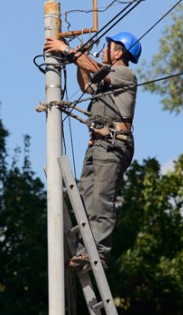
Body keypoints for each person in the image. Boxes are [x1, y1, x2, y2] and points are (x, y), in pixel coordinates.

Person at [43, 32, 141, 270]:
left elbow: (94, 66)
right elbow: (87, 84)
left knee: (101, 199)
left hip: (114, 143)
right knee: (86, 197)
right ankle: (85, 251)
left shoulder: (125, 74)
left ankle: (99, 252)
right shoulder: (106, 77)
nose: (104, 49)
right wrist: (79, 58)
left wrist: (68, 51)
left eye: (108, 46)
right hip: (98, 144)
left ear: (119, 53)